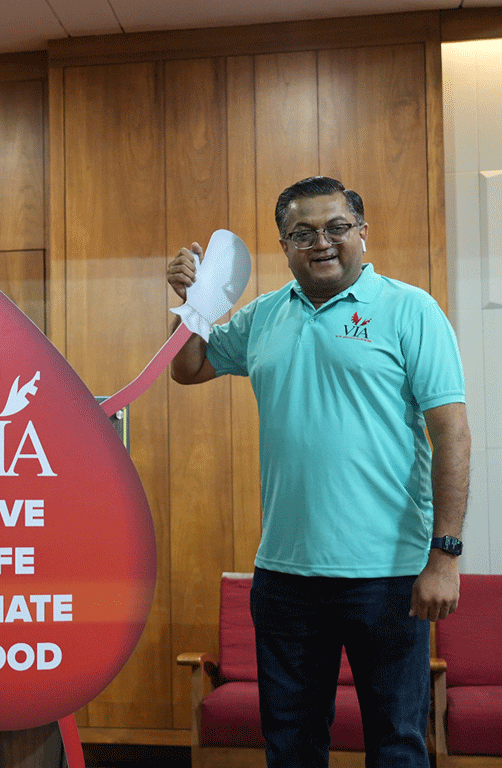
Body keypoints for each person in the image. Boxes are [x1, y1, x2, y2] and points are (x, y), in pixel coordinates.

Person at [166, 176, 471, 768]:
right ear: (285, 245)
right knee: (291, 746)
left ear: (362, 232)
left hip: (389, 577)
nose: (322, 242)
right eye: (303, 233)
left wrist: (446, 556)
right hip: (285, 580)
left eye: (337, 227)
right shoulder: (264, 316)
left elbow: (452, 435)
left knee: (397, 745)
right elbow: (189, 366)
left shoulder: (410, 310)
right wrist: (190, 303)